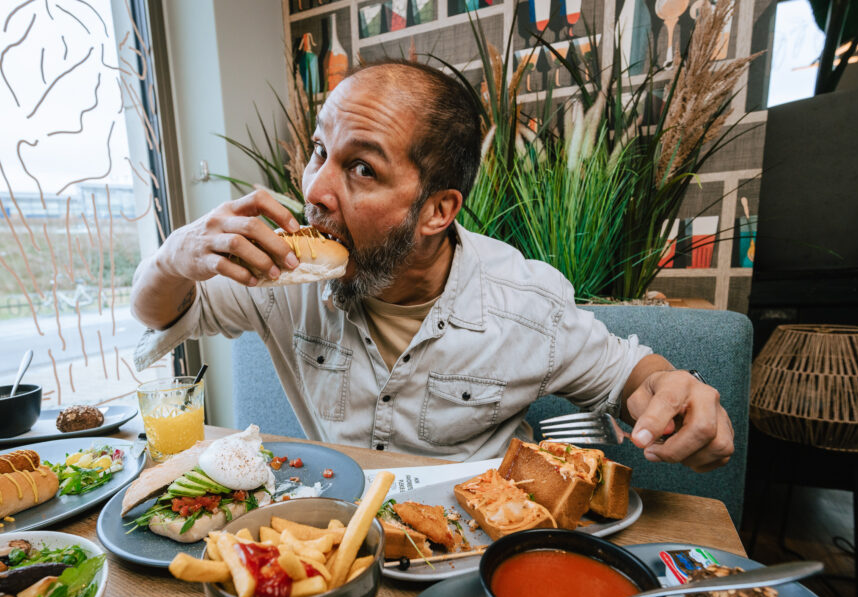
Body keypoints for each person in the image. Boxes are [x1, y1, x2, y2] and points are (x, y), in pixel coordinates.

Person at [131, 59, 733, 472]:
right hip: (335, 538)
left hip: (474, 554)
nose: (314, 189)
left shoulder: (523, 303)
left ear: (437, 210)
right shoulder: (281, 274)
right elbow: (158, 312)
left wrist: (675, 393)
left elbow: (630, 376)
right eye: (319, 150)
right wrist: (172, 257)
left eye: (362, 168)